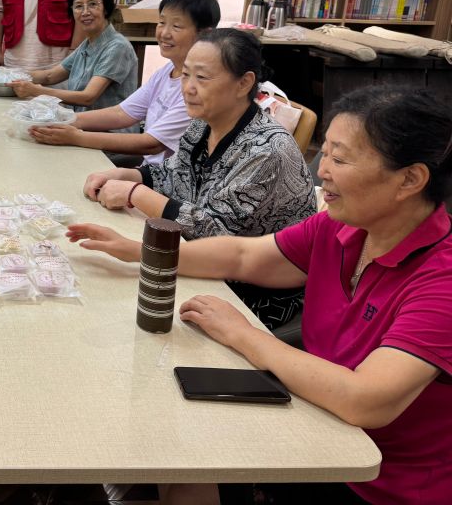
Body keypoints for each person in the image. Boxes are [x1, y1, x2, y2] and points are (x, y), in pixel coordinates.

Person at [68, 85, 452, 505]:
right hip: (312, 421)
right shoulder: (342, 227)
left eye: (340, 159)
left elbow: (366, 401)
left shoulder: (441, 281)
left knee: (182, 455)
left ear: (410, 179)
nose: (322, 170)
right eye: (325, 153)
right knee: (168, 435)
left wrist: (244, 334)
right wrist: (142, 251)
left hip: (373, 481)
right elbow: (244, 256)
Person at [81, 28, 315, 328]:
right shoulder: (204, 123)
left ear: (244, 83)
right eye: (186, 75)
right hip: (203, 265)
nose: (188, 88)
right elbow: (174, 176)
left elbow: (213, 235)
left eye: (202, 78)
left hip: (253, 294)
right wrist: (129, 174)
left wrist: (134, 193)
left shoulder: (267, 150)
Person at [30, 0, 220, 165]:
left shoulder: (197, 87)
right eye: (161, 23)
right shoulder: (165, 71)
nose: (164, 33)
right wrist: (61, 119)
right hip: (145, 166)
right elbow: (122, 112)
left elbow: (152, 143)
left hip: (154, 171)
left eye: (176, 26)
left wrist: (75, 135)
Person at [9, 0, 137, 112]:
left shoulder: (118, 47)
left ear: (106, 8)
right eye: (78, 6)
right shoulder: (88, 44)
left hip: (106, 125)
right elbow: (50, 76)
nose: (85, 12)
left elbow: (88, 97)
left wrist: (35, 91)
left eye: (93, 4)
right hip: (80, 121)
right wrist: (10, 75)